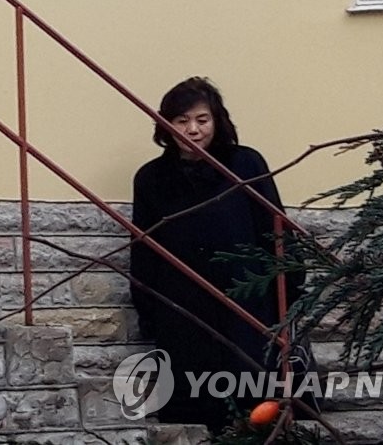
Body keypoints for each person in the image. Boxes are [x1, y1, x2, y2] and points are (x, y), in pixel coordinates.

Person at [130, 77, 312, 433]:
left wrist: (289, 285)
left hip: (246, 299)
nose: (193, 130)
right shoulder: (151, 178)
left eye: (202, 119)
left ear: (217, 120)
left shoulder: (244, 163)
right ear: (166, 124)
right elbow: (144, 249)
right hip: (183, 307)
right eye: (182, 120)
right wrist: (147, 307)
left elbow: (274, 227)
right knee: (192, 404)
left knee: (254, 398)